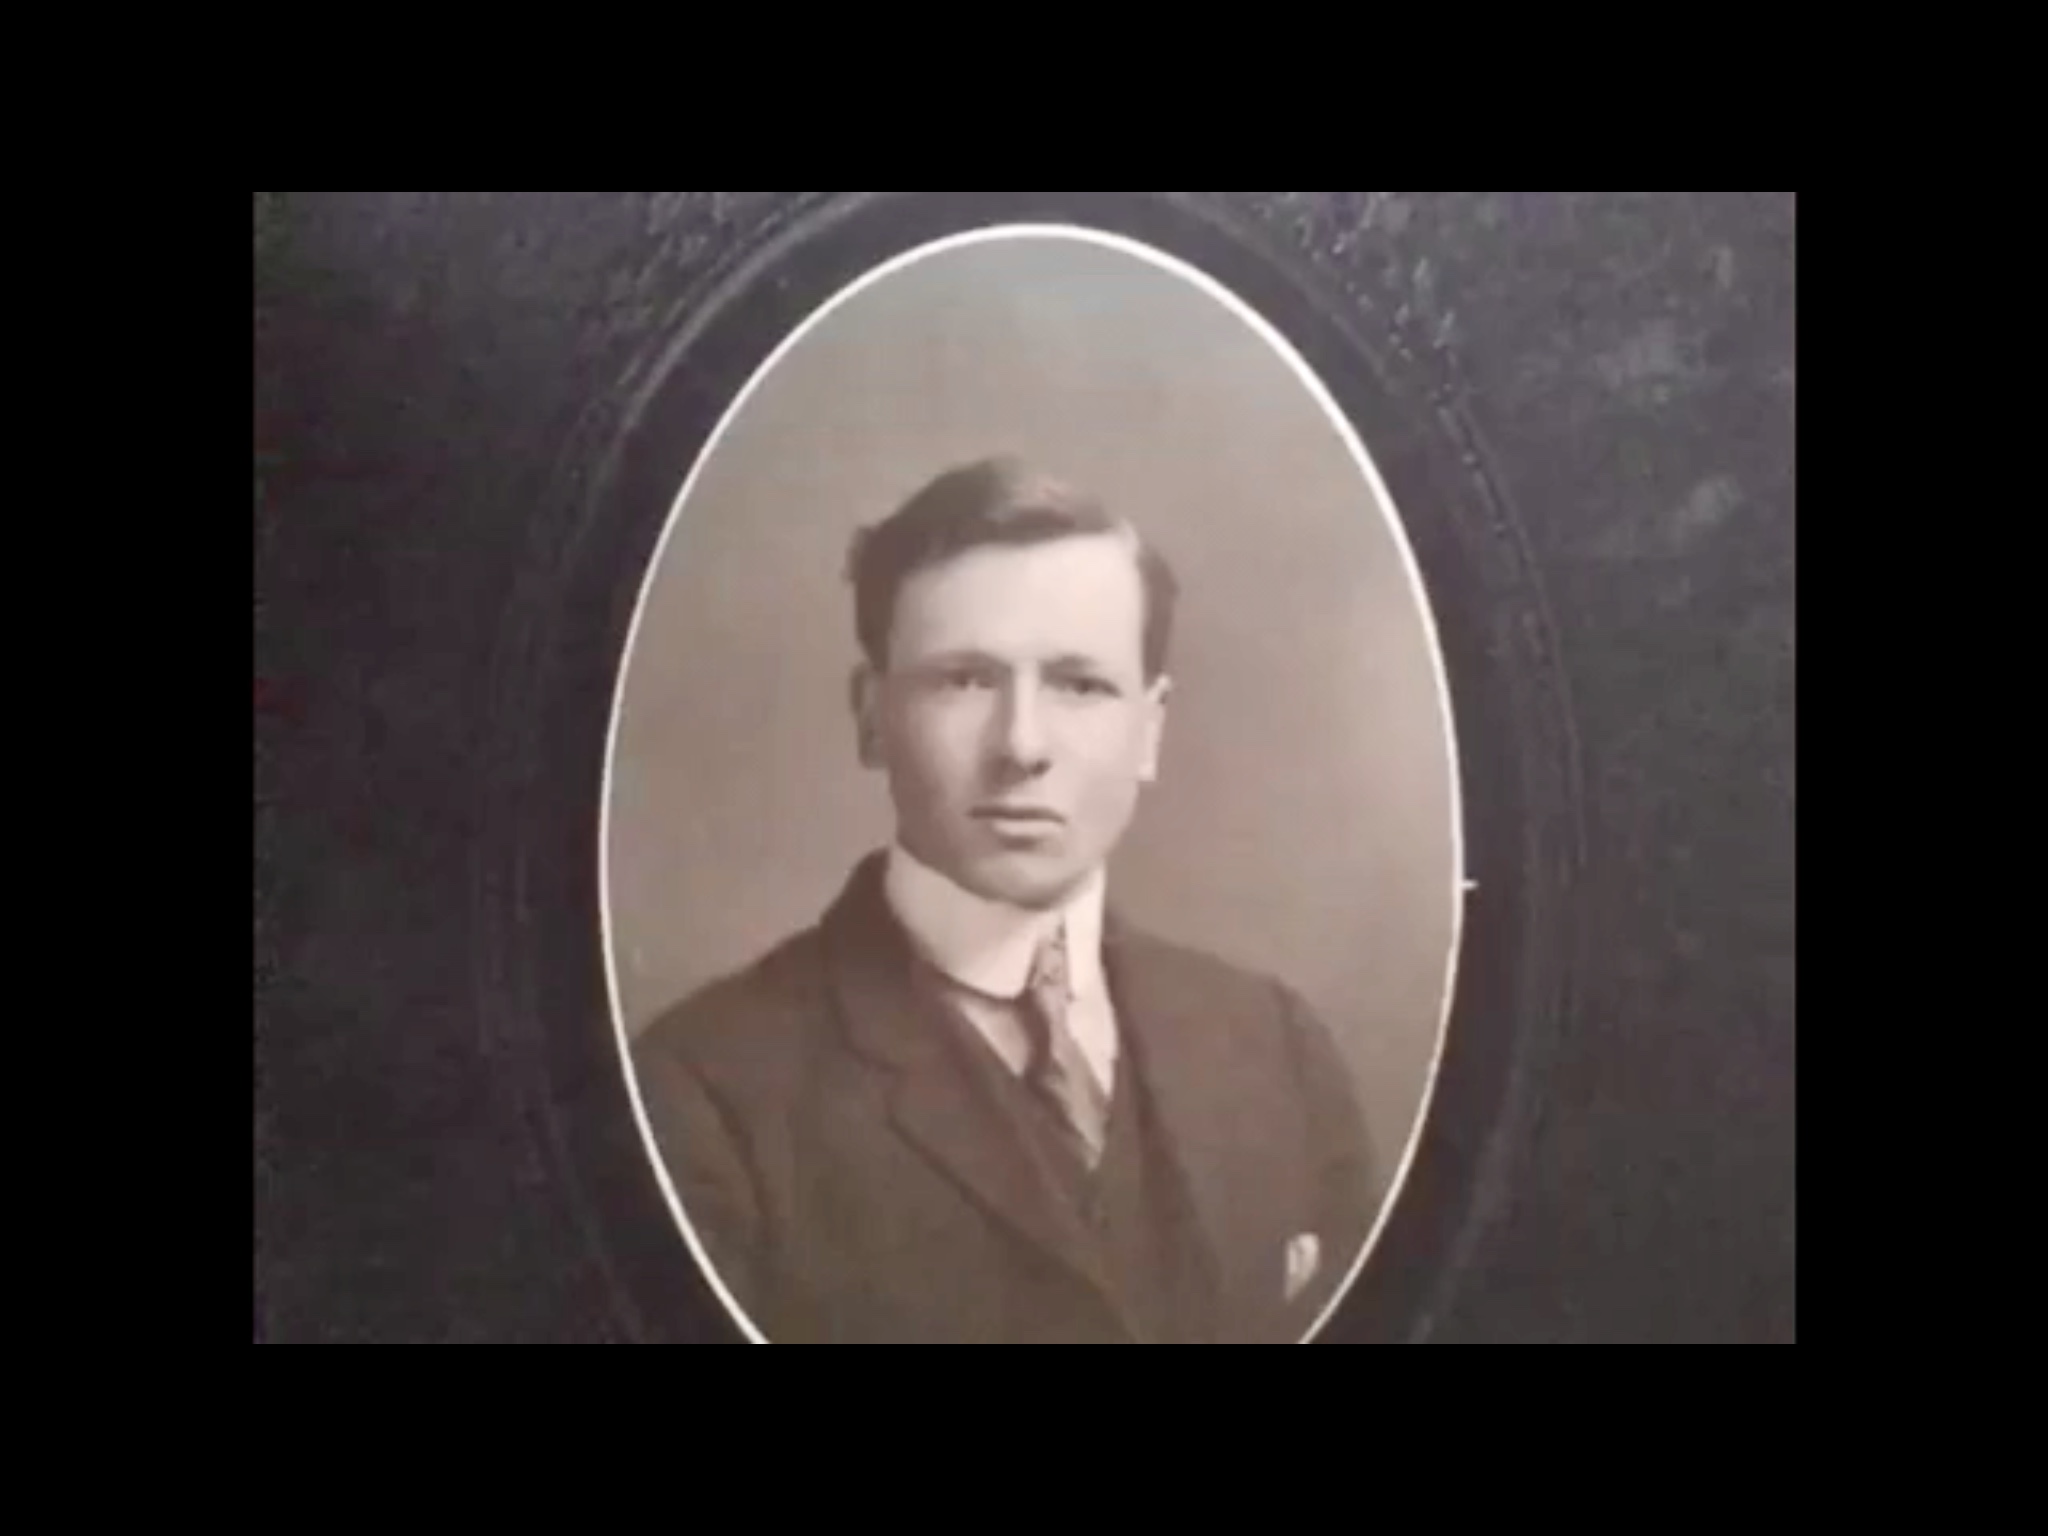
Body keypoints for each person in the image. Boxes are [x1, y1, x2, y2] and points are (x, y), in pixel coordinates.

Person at [631, 455, 1377, 1344]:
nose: (1022, 746)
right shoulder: (699, 1096)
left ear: (1150, 728)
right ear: (871, 716)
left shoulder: (1277, 1047)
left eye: (1080, 684)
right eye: (965, 679)